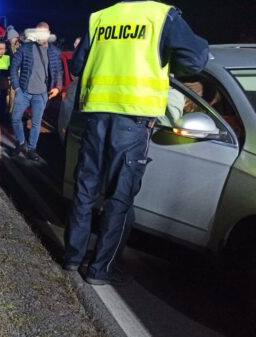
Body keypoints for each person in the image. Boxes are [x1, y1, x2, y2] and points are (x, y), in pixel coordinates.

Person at [62, 0, 209, 286]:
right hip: (133, 118)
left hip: (97, 114)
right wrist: (166, 60)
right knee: (120, 196)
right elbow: (196, 60)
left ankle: (72, 257)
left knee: (85, 186)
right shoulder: (162, 15)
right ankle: (99, 270)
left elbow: (79, 64)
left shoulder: (101, 18)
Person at [10, 22, 63, 161]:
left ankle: (32, 149)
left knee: (36, 124)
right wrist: (16, 87)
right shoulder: (25, 49)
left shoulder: (54, 52)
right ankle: (21, 143)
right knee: (15, 119)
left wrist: (58, 87)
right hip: (24, 92)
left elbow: (59, 72)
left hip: (41, 94)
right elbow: (14, 67)